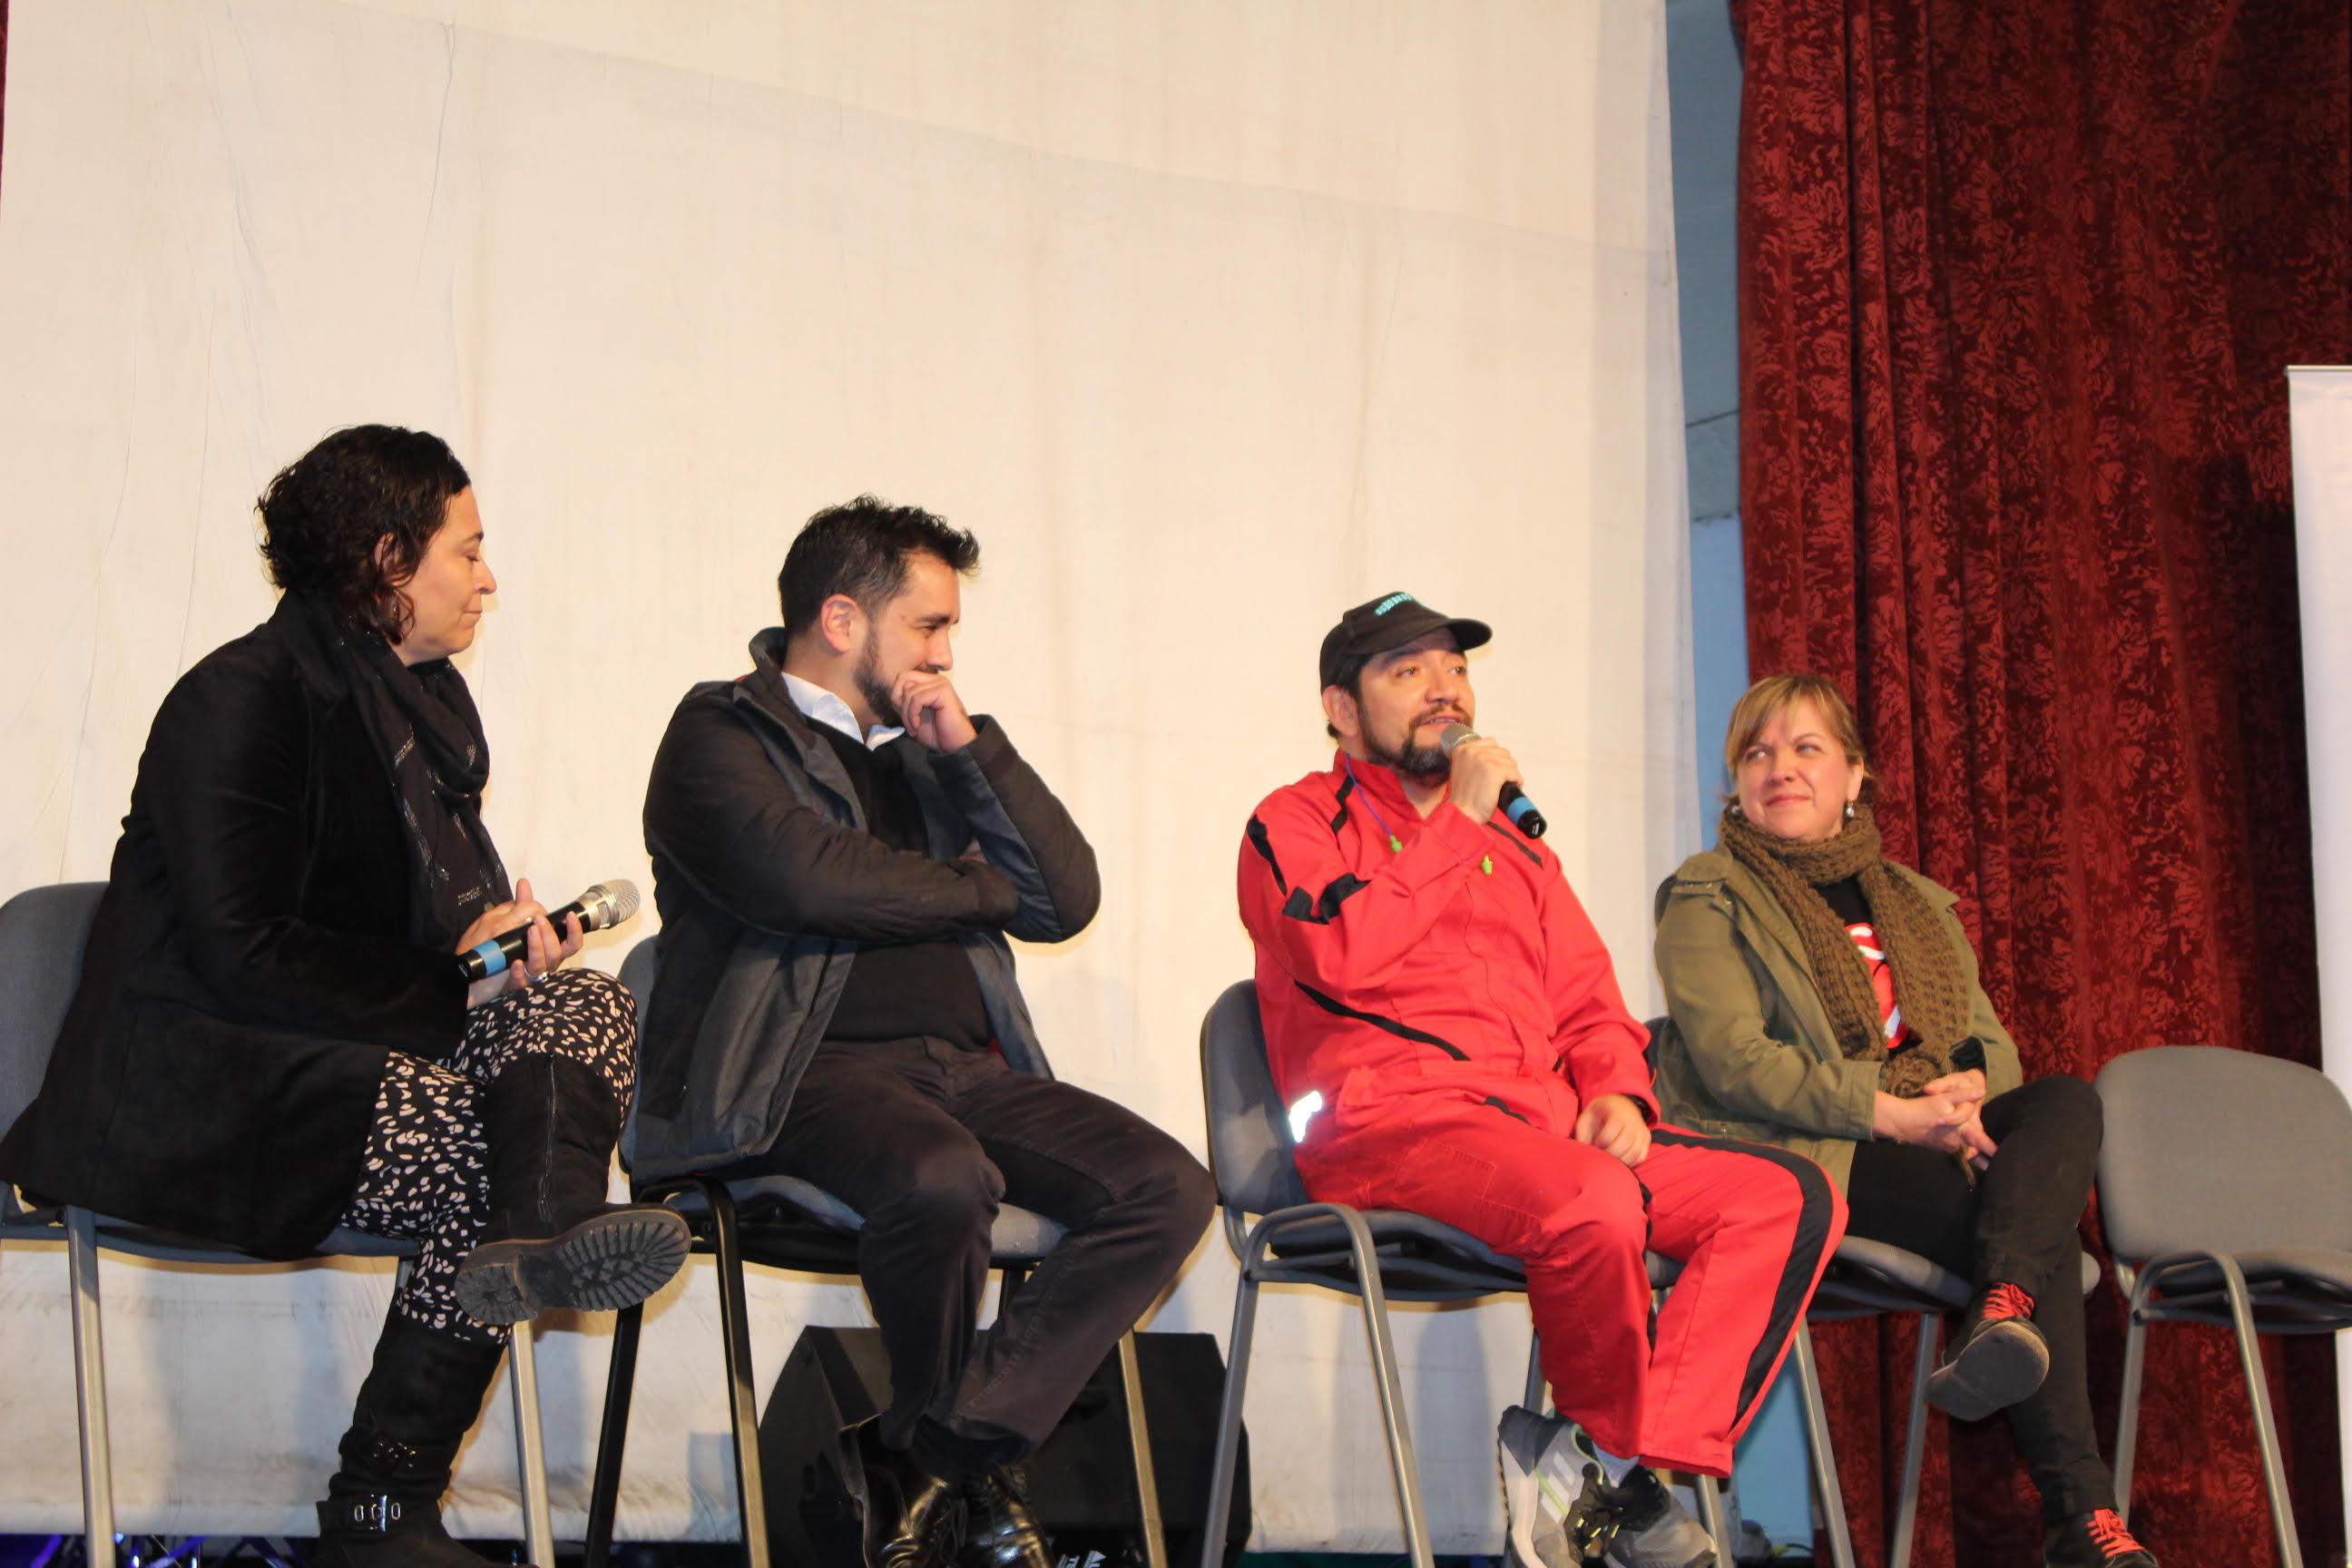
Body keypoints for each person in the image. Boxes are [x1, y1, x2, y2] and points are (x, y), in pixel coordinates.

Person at [0, 426, 691, 1568]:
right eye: (467, 552)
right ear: (386, 560)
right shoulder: (241, 698)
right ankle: (384, 1501)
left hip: (345, 1059)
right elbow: (246, 953)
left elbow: (422, 956)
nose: (487, 578)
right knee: (483, 1135)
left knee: (587, 1007)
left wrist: (491, 949)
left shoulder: (422, 722)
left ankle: (542, 1226)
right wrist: (452, 983)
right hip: (198, 1078)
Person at [634, 495, 1214, 1568]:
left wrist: (972, 752)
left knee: (1167, 1187)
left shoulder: (931, 752)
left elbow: (1063, 896)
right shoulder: (720, 732)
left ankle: (930, 1451)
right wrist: (970, 886)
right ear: (845, 620)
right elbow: (807, 880)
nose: (946, 655)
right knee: (944, 1178)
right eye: (931, 627)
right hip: (790, 1073)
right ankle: (961, 1466)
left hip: (962, 1067)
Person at [1236, 593, 1845, 1568]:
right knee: (1592, 1201)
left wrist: (1616, 1094)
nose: (1445, 691)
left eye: (1456, 669)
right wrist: (1458, 829)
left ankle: (1603, 1461)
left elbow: (1591, 1006)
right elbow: (1341, 950)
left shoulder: (1519, 854)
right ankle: (1619, 1486)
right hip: (1386, 1131)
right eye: (1408, 673)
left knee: (1782, 1195)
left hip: (1541, 1137)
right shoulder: (1293, 822)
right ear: (1342, 712)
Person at [1651, 673, 2154, 1568]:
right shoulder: (1707, 894)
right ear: (1737, 784)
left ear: (1854, 777)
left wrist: (1958, 1097)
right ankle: (2082, 1515)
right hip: (1812, 1149)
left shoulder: (1917, 902)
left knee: (2066, 1100)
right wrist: (1890, 1112)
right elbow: (1737, 1062)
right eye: (1757, 754)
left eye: (1807, 749)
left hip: (1934, 1133)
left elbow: (1988, 1046)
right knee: (2030, 1236)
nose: (1781, 769)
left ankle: (2000, 1308)